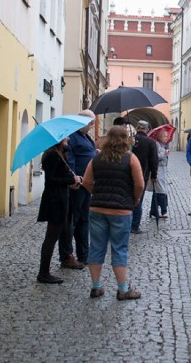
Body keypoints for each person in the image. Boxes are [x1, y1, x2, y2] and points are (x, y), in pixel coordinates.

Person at [80, 125, 144, 300]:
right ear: (125, 139)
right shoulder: (131, 159)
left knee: (96, 247)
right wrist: (134, 199)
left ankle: (96, 286)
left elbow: (86, 181)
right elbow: (139, 185)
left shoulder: (97, 159)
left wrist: (96, 193)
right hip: (121, 211)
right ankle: (123, 289)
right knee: (119, 248)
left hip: (97, 209)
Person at [36, 138, 82, 284]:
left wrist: (71, 181)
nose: (68, 139)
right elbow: (51, 180)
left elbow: (62, 176)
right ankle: (43, 273)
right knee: (51, 238)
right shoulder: (51, 155)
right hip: (54, 200)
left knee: (63, 233)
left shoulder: (61, 153)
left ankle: (47, 270)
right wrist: (69, 180)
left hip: (62, 198)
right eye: (66, 137)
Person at [59, 109, 96, 270]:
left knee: (83, 220)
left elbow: (86, 153)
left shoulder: (85, 136)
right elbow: (70, 158)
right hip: (77, 183)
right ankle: (67, 255)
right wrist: (73, 177)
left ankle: (84, 254)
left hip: (87, 184)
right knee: (72, 221)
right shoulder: (72, 137)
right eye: (89, 123)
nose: (90, 126)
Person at [130, 120, 158, 234]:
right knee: (138, 199)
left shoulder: (131, 140)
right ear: (147, 129)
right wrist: (154, 175)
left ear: (137, 128)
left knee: (128, 198)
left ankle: (126, 223)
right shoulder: (150, 142)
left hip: (128, 173)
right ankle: (135, 226)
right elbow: (154, 160)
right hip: (143, 174)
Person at [148, 128, 171, 219]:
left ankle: (153, 211)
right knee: (161, 191)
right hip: (158, 170)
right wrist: (164, 153)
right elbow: (155, 157)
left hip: (163, 170)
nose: (166, 138)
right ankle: (163, 211)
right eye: (164, 136)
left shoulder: (163, 145)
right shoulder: (156, 144)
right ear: (160, 136)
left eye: (167, 136)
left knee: (158, 191)